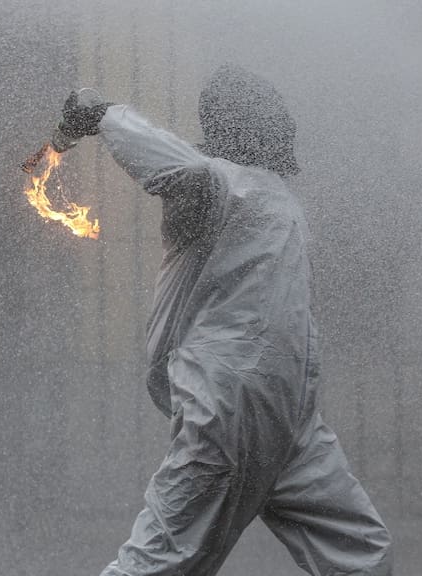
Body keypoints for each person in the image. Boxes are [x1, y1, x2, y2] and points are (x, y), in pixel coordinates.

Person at [57, 64, 393, 576]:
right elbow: (180, 170)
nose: (281, 117)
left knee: (361, 553)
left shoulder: (271, 193)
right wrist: (107, 117)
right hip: (229, 408)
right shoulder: (215, 185)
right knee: (162, 560)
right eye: (267, 109)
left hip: (289, 417)